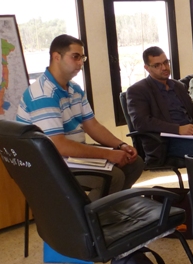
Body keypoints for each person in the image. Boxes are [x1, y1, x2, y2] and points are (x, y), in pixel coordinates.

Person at [16, 34, 143, 200]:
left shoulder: (74, 89)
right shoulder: (43, 93)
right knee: (112, 177)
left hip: (70, 157)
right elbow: (58, 146)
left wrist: (120, 145)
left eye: (82, 57)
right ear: (56, 57)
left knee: (134, 163)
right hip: (49, 163)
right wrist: (107, 154)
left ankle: (106, 209)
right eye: (75, 57)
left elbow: (93, 125)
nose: (80, 63)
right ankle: (85, 216)